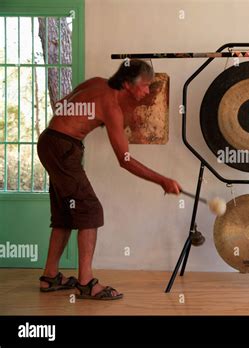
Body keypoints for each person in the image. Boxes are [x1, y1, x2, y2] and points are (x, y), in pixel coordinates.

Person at [37, 59, 181, 300]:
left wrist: (84, 121)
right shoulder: (111, 107)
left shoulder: (96, 82)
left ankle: (49, 277)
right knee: (90, 212)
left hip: (50, 141)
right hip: (63, 148)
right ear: (127, 84)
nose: (147, 91)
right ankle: (86, 283)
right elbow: (124, 160)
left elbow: (60, 105)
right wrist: (162, 180)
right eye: (145, 86)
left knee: (65, 214)